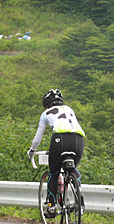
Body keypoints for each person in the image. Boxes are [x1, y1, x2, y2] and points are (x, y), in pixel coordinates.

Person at [27, 89, 85, 217]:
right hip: (78, 140)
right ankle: (79, 199)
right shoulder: (69, 109)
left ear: (47, 105)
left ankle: (51, 207)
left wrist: (32, 150)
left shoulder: (45, 113)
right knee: (72, 169)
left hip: (60, 139)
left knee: (54, 173)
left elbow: (37, 138)